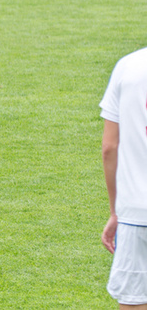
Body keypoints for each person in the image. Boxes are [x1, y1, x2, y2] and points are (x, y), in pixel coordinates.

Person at [100, 47, 147, 309]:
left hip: (137, 212)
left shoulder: (128, 66)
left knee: (134, 301)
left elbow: (110, 147)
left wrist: (115, 211)